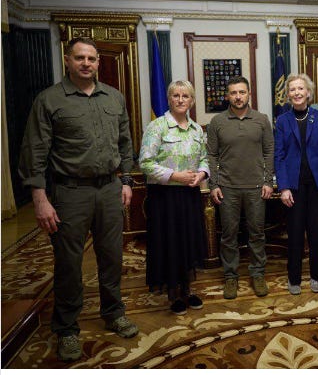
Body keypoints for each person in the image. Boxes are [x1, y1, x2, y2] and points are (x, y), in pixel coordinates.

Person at [18, 37, 139, 362]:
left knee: (112, 256)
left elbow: (125, 141)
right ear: (68, 60)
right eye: (80, 58)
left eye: (92, 58)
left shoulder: (114, 97)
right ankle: (67, 328)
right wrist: (39, 198)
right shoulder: (49, 100)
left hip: (109, 188)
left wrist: (126, 179)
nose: (86, 63)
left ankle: (114, 313)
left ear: (98, 62)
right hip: (69, 192)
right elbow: (35, 150)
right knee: (69, 263)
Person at [139, 80, 209, 315]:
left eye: (185, 96)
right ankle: (173, 292)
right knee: (169, 241)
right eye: (176, 95)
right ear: (169, 99)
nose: (180, 100)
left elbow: (204, 158)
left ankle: (187, 288)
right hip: (164, 196)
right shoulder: (157, 127)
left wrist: (202, 174)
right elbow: (145, 163)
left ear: (192, 100)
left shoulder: (197, 129)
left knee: (188, 239)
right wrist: (175, 175)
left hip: (190, 194)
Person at [207, 76, 274, 299]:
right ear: (228, 96)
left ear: (249, 94)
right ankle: (230, 276)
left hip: (256, 187)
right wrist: (214, 184)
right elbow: (212, 155)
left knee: (257, 233)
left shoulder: (262, 120)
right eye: (234, 93)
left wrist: (267, 181)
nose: (238, 97)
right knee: (229, 235)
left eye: (242, 92)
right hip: (227, 188)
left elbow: (269, 151)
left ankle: (257, 273)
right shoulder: (217, 122)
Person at [274, 73, 318, 295]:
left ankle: (317, 276)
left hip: (316, 184)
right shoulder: (282, 121)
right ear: (288, 95)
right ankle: (294, 277)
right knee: (295, 232)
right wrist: (284, 187)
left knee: (316, 231)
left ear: (308, 92)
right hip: (293, 186)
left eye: (301, 88)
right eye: (292, 89)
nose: (297, 93)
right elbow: (279, 156)